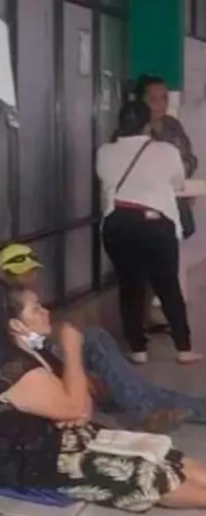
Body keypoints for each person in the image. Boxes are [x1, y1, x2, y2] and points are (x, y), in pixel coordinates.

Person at [0, 286, 206, 512]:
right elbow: (75, 407)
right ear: (16, 325)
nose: (46, 312)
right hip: (38, 460)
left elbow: (83, 408)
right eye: (36, 309)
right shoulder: (7, 365)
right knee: (145, 472)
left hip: (68, 438)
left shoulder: (37, 352)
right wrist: (72, 351)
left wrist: (72, 408)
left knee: (160, 452)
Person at [0, 243, 206, 433]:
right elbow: (35, 351)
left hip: (51, 354)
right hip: (42, 365)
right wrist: (74, 359)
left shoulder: (32, 299)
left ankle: (149, 406)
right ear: (4, 275)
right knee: (113, 364)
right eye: (21, 274)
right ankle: (144, 410)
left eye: (32, 272)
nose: (30, 278)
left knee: (141, 389)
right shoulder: (6, 307)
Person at [96, 100, 201, 365]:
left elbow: (105, 179)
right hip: (154, 223)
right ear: (147, 123)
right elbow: (177, 181)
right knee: (167, 285)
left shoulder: (105, 152)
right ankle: (184, 348)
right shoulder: (165, 150)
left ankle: (138, 349)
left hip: (117, 224)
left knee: (130, 286)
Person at [139, 75, 198, 325]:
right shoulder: (134, 129)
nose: (160, 104)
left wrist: (183, 172)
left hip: (173, 201)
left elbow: (190, 158)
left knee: (169, 259)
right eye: (153, 99)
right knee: (149, 260)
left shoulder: (172, 125)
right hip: (145, 205)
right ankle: (147, 313)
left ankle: (161, 309)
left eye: (164, 98)